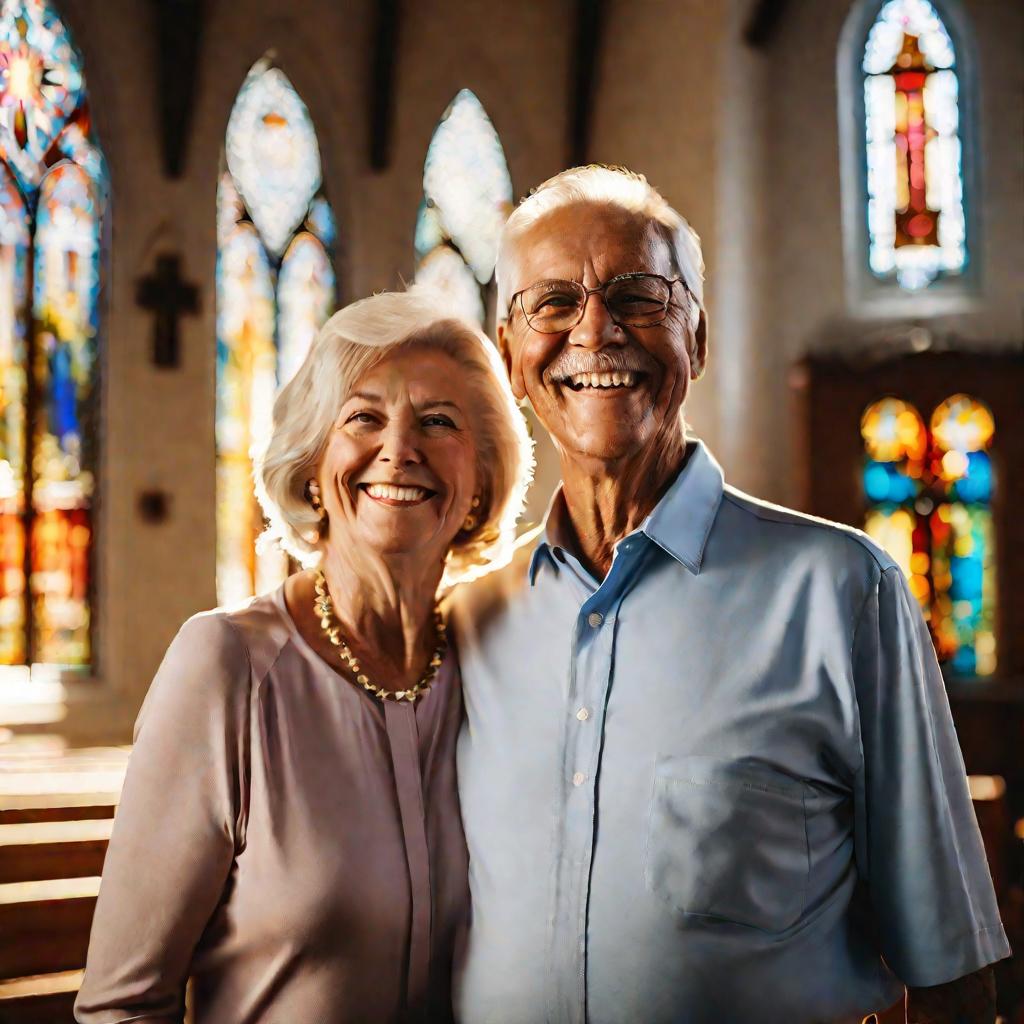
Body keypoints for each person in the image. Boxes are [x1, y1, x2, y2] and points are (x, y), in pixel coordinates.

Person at [450, 165, 1010, 1024]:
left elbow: (952, 971)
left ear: (698, 339)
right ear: (509, 355)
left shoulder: (842, 593)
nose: (595, 329)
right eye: (553, 302)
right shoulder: (471, 620)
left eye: (639, 296)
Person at [75, 287, 533, 1024]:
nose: (398, 448)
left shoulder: (494, 669)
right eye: (364, 417)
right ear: (315, 469)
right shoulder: (227, 665)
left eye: (438, 422)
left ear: (478, 485)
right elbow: (122, 1006)